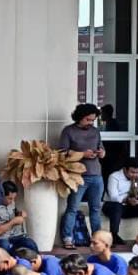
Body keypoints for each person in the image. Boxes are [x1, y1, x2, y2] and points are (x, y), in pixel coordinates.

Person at [58, 103, 105, 249]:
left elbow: (101, 148)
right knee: (73, 207)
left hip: (96, 174)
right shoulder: (68, 131)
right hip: (78, 176)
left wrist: (101, 152)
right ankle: (68, 238)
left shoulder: (95, 131)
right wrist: (82, 154)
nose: (90, 123)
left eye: (93, 120)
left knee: (95, 209)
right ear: (79, 117)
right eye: (87, 120)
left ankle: (98, 239)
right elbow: (62, 152)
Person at [104, 158, 138, 246]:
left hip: (132, 205)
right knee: (117, 206)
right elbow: (113, 197)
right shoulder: (114, 177)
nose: (135, 175)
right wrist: (127, 200)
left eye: (137, 172)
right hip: (113, 207)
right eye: (132, 172)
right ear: (125, 169)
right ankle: (114, 235)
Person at [0, 181, 38, 253]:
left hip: (14, 236)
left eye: (14, 198)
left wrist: (19, 214)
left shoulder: (11, 203)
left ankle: (37, 259)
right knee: (5, 245)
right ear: (1, 195)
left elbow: (13, 214)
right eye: (10, 198)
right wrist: (13, 222)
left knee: (30, 243)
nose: (12, 201)